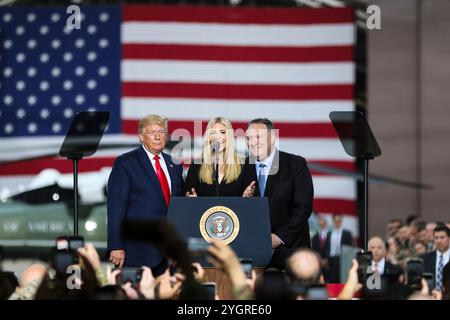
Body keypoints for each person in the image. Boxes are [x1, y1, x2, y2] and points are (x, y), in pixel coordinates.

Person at [107, 114, 183, 275]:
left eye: (161, 132)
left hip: (169, 252)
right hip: (137, 250)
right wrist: (116, 245)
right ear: (141, 136)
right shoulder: (126, 163)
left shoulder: (174, 164)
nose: (157, 136)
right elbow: (116, 208)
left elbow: (178, 202)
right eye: (152, 132)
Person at [243, 118, 314, 269]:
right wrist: (243, 200)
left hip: (291, 254)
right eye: (249, 138)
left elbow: (303, 207)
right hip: (253, 257)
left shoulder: (295, 164)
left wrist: (279, 237)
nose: (253, 142)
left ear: (273, 138)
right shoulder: (242, 167)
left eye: (258, 137)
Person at [184, 117, 255, 197]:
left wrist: (246, 197)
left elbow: (251, 204)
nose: (218, 137)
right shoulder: (196, 165)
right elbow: (187, 196)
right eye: (213, 133)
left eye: (222, 132)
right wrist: (191, 199)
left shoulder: (244, 165)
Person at [324, 214, 353, 283]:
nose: (337, 223)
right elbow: (327, 247)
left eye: (339, 221)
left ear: (341, 221)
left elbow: (350, 247)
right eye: (336, 221)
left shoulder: (346, 233)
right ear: (333, 222)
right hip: (332, 258)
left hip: (342, 258)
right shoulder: (329, 233)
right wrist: (326, 258)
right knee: (332, 277)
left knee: (342, 277)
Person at [421, 225, 450, 292]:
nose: (439, 241)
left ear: (449, 238)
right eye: (436, 238)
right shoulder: (425, 258)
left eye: (442, 237)